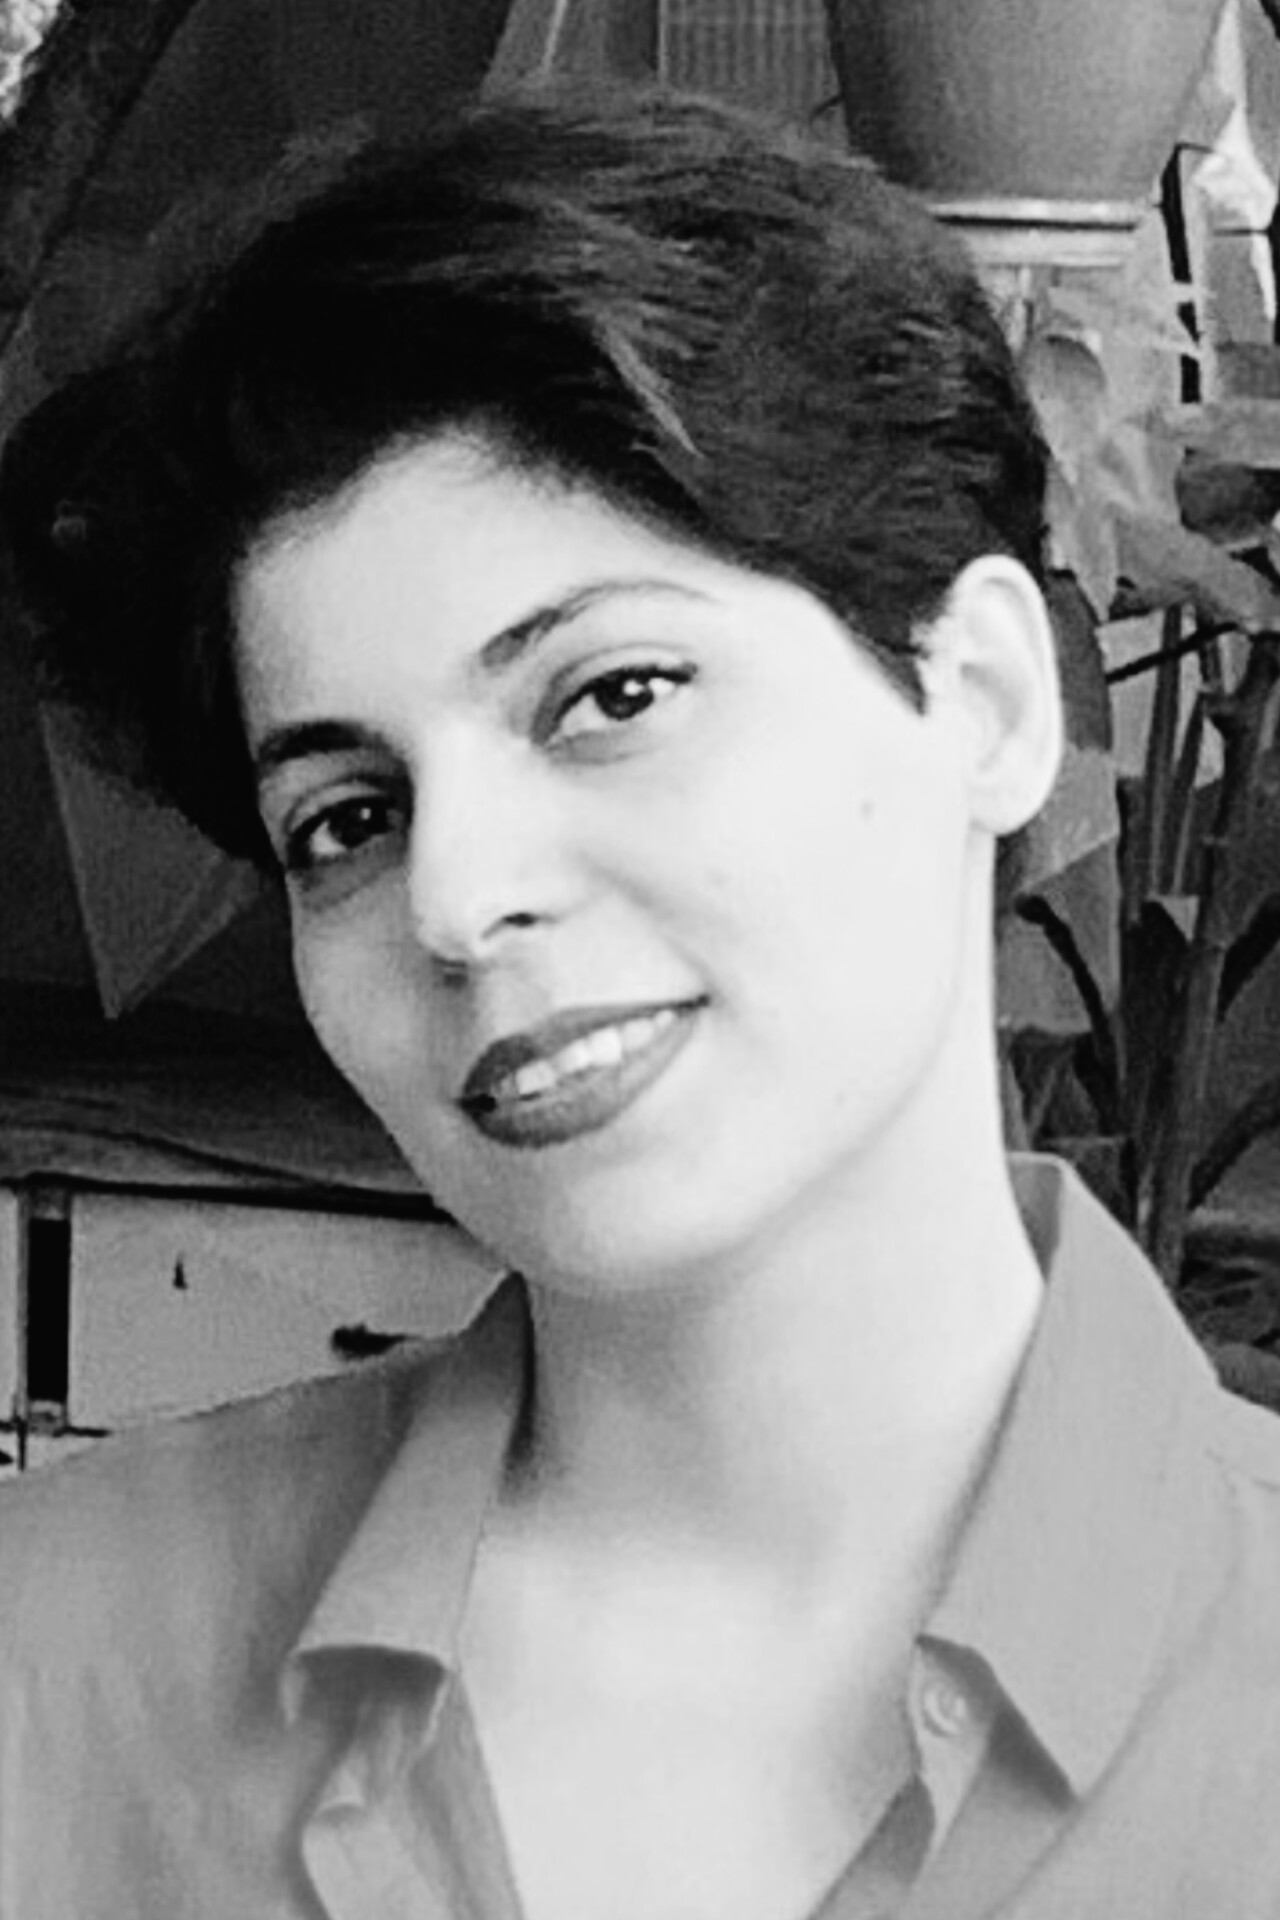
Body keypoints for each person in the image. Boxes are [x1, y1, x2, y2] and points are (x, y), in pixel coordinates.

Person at [1, 82, 1279, 1920]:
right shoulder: (50, 1668)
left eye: (612, 697)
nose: (455, 897)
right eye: (346, 818)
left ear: (988, 699)